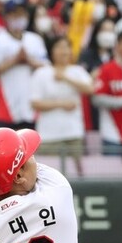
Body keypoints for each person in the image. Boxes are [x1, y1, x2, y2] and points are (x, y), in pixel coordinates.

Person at [0, 0, 48, 130]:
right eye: (14, 13)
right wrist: (14, 61)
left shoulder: (35, 39)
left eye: (21, 13)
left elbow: (46, 66)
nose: (18, 17)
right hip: (6, 104)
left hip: (31, 104)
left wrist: (28, 60)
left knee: (29, 146)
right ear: (6, 16)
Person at [30, 35, 94, 171]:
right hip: (49, 135)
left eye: (66, 47)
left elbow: (90, 89)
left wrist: (65, 77)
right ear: (51, 51)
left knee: (78, 173)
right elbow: (35, 103)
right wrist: (61, 104)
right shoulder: (41, 73)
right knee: (49, 174)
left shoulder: (77, 71)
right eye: (59, 47)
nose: (64, 51)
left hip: (74, 133)